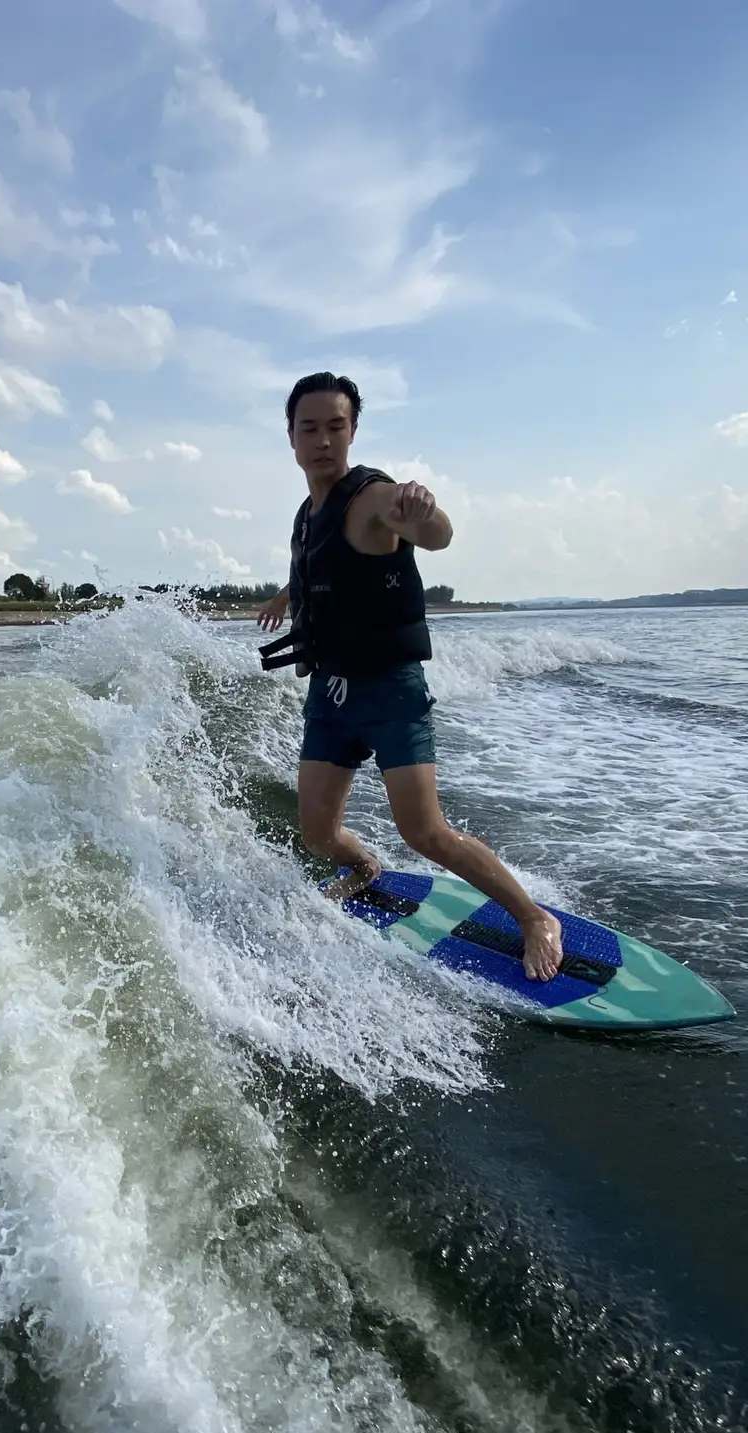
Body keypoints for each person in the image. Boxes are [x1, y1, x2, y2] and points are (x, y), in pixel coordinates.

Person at [256, 371, 566, 981]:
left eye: (335, 427)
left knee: (425, 831)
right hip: (331, 692)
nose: (322, 440)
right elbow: (328, 565)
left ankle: (533, 918)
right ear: (290, 437)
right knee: (317, 833)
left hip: (390, 690)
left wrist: (426, 514)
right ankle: (365, 866)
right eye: (309, 428)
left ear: (352, 432)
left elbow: (433, 533)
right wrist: (289, 593)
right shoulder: (306, 513)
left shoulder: (375, 497)